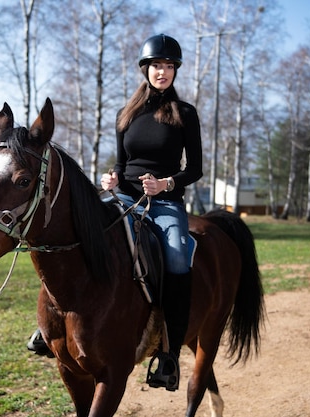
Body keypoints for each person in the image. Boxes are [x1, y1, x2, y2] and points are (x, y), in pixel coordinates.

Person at [100, 33, 203, 391]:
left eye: (169, 66)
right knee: (85, 232)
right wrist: (111, 177)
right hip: (124, 199)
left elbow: (194, 170)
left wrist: (165, 185)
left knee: (176, 257)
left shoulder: (184, 114)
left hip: (165, 204)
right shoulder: (125, 113)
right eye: (156, 65)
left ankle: (169, 354)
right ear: (145, 69)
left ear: (175, 70)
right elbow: (120, 161)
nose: (163, 72)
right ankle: (52, 324)